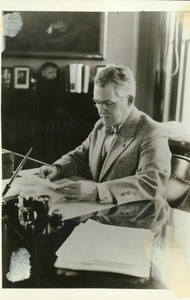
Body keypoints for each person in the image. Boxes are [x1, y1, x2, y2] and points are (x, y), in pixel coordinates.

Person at [39, 64, 171, 233]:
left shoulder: (152, 132)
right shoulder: (101, 125)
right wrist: (57, 169)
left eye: (108, 104)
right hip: (103, 217)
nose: (101, 111)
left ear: (129, 100)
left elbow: (152, 182)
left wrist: (97, 190)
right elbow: (82, 154)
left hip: (138, 226)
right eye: (97, 103)